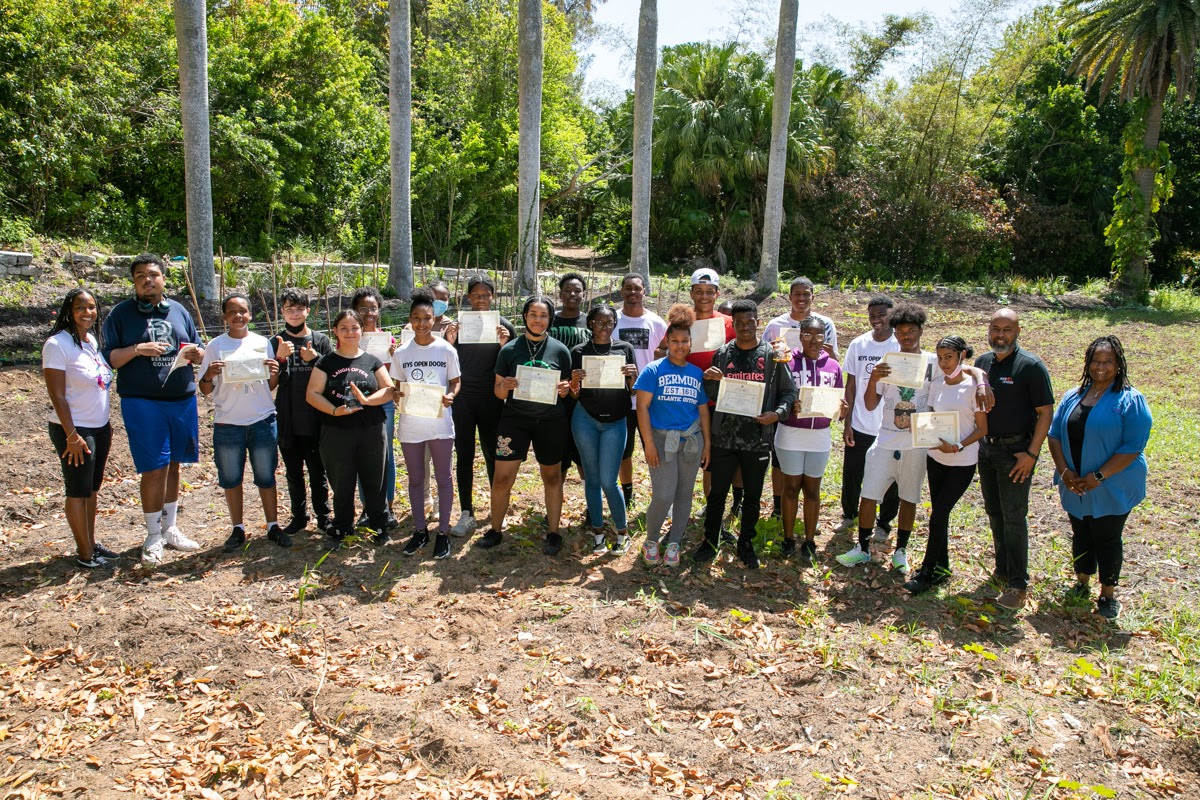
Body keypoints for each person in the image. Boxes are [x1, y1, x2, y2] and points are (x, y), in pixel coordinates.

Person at [836, 304, 988, 572]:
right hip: (886, 437)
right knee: (869, 495)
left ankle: (901, 550)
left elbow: (966, 370)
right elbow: (870, 405)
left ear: (920, 331)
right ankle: (862, 547)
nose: (906, 335)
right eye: (901, 331)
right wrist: (872, 380)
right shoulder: (887, 362)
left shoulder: (934, 362)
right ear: (895, 332)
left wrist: (981, 379)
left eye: (911, 330)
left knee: (909, 497)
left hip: (919, 441)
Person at [101, 253, 204, 565]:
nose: (148, 280)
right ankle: (152, 534)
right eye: (140, 276)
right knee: (153, 467)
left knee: (174, 465)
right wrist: (137, 350)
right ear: (134, 282)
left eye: (153, 274)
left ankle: (170, 527)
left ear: (163, 278)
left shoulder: (179, 311)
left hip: (181, 399)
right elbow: (110, 359)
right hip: (143, 401)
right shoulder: (120, 315)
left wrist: (198, 355)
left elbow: (196, 348)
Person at [1047, 336, 1152, 621]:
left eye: (1108, 361)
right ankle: (1081, 581)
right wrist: (1066, 472)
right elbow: (1054, 435)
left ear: (1119, 365)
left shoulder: (1131, 400)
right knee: (1081, 533)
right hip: (1075, 482)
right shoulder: (1073, 396)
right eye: (1095, 360)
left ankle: (1107, 594)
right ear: (1087, 363)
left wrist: (1098, 476)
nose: (1100, 366)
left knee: (1106, 537)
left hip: (1112, 485)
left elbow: (1132, 447)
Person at [698, 299, 797, 569]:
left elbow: (789, 392)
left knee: (752, 496)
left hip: (757, 438)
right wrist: (708, 380)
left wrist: (776, 414)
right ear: (734, 324)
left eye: (749, 322)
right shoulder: (723, 353)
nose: (744, 327)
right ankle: (710, 540)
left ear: (757, 322)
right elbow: (711, 395)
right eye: (738, 323)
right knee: (717, 494)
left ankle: (746, 543)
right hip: (724, 438)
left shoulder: (774, 357)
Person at [474, 296, 573, 555]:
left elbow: (566, 390)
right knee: (501, 477)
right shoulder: (509, 350)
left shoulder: (561, 351)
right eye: (532, 314)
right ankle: (495, 530)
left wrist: (565, 390)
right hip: (514, 420)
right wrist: (504, 386)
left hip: (551, 421)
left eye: (543, 315)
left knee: (552, 476)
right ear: (524, 316)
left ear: (550, 318)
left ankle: (553, 532)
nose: (537, 320)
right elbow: (497, 393)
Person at [975, 308, 1054, 610]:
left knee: (1014, 517)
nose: (1000, 335)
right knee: (994, 511)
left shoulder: (1031, 367)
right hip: (988, 450)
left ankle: (1018, 584)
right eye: (995, 328)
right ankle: (1003, 570)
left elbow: (1045, 413)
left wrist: (1032, 454)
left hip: (1017, 453)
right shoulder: (982, 362)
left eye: (1007, 329)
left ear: (1018, 332)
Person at [197, 295, 285, 551]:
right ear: (224, 316)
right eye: (232, 311)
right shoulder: (215, 346)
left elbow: (269, 386)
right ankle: (238, 528)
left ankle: (272, 525)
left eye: (243, 311)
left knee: (266, 476)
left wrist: (275, 374)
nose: (238, 316)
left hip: (262, 420)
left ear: (250, 315)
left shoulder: (261, 343)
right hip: (228, 423)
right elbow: (206, 390)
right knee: (231, 478)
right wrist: (209, 374)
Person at [903, 336, 988, 594]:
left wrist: (958, 446)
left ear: (962, 355)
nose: (943, 363)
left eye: (948, 357)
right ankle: (943, 566)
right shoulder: (937, 384)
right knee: (939, 514)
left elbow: (982, 428)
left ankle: (927, 572)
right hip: (937, 459)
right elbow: (931, 417)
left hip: (962, 461)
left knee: (938, 515)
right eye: (940, 358)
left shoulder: (974, 386)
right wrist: (923, 433)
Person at [306, 310, 396, 544]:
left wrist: (367, 401)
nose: (349, 332)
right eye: (343, 328)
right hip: (336, 430)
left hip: (371, 429)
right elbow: (312, 394)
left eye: (354, 327)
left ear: (361, 331)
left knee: (375, 479)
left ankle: (379, 525)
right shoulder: (326, 362)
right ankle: (343, 525)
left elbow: (389, 390)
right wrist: (335, 410)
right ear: (334, 331)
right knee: (341, 480)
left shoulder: (371, 360)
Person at [43, 288, 116, 569]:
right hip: (74, 431)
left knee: (92, 489)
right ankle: (85, 554)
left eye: (92, 307)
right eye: (80, 308)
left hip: (99, 427)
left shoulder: (90, 342)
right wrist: (71, 436)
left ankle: (91, 542)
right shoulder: (57, 345)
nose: (87, 313)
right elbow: (57, 395)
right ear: (68, 311)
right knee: (77, 491)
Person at [636, 305, 711, 567]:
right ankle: (652, 539)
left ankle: (675, 541)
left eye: (684, 341)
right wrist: (648, 445)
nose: (679, 346)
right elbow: (642, 407)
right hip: (661, 440)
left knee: (684, 493)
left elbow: (702, 412)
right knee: (664, 494)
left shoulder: (696, 374)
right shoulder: (653, 370)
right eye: (675, 341)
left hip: (691, 440)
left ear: (691, 343)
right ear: (667, 341)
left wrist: (707, 445)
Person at [761, 277, 839, 519]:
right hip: (783, 403)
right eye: (797, 294)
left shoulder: (826, 324)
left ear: (813, 297)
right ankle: (777, 505)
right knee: (779, 460)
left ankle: (796, 514)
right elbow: (764, 358)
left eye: (806, 294)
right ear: (790, 296)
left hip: (815, 411)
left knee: (807, 479)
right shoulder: (775, 325)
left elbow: (834, 357)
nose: (801, 298)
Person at [392, 289, 461, 560]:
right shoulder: (401, 353)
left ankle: (443, 532)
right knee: (416, 479)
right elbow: (397, 386)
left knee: (444, 477)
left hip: (440, 425)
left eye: (427, 318)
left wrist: (451, 395)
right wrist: (397, 395)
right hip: (411, 426)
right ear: (409, 320)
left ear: (434, 320)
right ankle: (420, 530)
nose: (422, 323)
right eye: (416, 318)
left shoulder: (446, 349)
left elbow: (455, 380)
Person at [444, 275, 514, 536]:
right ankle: (466, 512)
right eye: (476, 295)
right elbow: (444, 357)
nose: (481, 299)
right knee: (464, 455)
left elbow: (513, 363)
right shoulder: (457, 326)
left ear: (493, 297)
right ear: (468, 297)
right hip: (462, 400)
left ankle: (497, 509)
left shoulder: (503, 327)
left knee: (492, 454)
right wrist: (449, 341)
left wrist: (504, 345)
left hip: (492, 400)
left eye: (486, 295)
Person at [568, 306, 637, 554]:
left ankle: (622, 531)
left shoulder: (625, 349)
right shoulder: (579, 352)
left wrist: (633, 377)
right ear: (590, 324)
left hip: (616, 420)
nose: (605, 327)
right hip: (585, 418)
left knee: (609, 481)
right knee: (592, 478)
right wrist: (575, 381)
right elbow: (574, 394)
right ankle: (597, 531)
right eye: (599, 322)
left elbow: (632, 391)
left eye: (610, 322)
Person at [775, 316, 844, 562]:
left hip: (820, 436)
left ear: (824, 337)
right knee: (791, 487)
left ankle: (810, 541)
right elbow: (776, 396)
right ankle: (788, 538)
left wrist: (841, 409)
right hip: (790, 434)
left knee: (813, 490)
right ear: (799, 336)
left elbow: (839, 400)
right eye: (807, 335)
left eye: (818, 336)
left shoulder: (834, 366)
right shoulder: (787, 362)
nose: (813, 341)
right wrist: (788, 405)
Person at [837, 296, 900, 542]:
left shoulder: (900, 345)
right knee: (853, 472)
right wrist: (848, 422)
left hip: (890, 425)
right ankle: (849, 515)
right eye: (872, 315)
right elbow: (851, 385)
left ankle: (884, 523)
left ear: (892, 315)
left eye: (882, 314)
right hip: (861, 422)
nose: (876, 319)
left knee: (891, 476)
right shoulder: (858, 344)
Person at [273, 288, 334, 537]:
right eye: (289, 309)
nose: (295, 314)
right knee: (294, 472)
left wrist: (315, 359)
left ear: (308, 310)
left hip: (316, 419)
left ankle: (323, 516)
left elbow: (334, 379)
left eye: (299, 309)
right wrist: (281, 359)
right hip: (287, 418)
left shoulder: (321, 340)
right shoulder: (275, 342)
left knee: (318, 471)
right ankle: (299, 517)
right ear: (282, 312)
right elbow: (271, 382)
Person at [615, 273, 668, 508]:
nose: (633, 293)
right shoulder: (613, 320)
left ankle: (661, 495)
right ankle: (627, 494)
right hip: (621, 399)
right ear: (621, 291)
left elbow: (668, 356)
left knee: (654, 451)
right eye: (628, 288)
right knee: (624, 453)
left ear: (644, 291)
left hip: (650, 402)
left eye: (637, 289)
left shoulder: (656, 323)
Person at [349, 287, 399, 530]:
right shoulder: (349, 336)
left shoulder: (387, 339)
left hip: (383, 403)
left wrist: (394, 355)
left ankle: (387, 505)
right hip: (356, 403)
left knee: (385, 454)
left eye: (373, 308)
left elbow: (391, 377)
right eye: (363, 308)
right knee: (360, 456)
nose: (369, 313)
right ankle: (367, 507)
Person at [549, 272, 591, 482]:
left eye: (577, 290)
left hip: (583, 394)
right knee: (559, 449)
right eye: (567, 290)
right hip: (554, 392)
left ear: (584, 294)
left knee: (583, 450)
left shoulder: (590, 321)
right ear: (560, 294)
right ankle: (556, 499)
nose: (572, 294)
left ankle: (590, 503)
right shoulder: (550, 320)